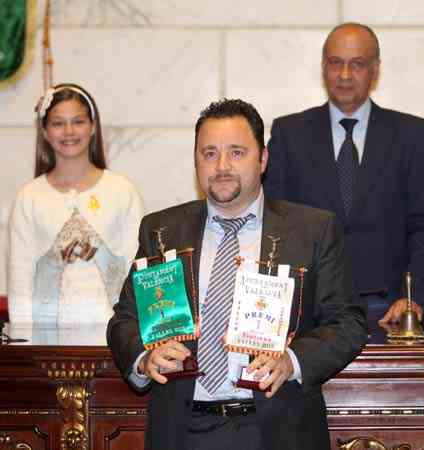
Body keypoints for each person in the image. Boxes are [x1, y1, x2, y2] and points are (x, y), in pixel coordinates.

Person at [107, 99, 367, 450]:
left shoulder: (313, 230)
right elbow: (124, 320)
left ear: (263, 159)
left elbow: (347, 322)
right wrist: (144, 358)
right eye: (209, 153)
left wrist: (292, 361)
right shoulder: (162, 230)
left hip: (278, 429)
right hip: (184, 430)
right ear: (196, 161)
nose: (222, 166)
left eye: (237, 153)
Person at [263, 23, 424, 324]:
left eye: (357, 64)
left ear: (375, 69)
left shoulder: (412, 135)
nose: (345, 75)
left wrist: (413, 298)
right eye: (336, 63)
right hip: (309, 310)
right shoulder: (289, 134)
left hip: (389, 309)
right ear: (323, 67)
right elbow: (273, 224)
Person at [8, 83, 144, 325]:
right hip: (47, 337)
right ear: (45, 131)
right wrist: (24, 339)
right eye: (58, 123)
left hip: (113, 336)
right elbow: (20, 280)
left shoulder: (122, 191)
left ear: (93, 127)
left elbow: (137, 269)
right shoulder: (29, 197)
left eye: (78, 122)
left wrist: (132, 336)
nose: (69, 131)